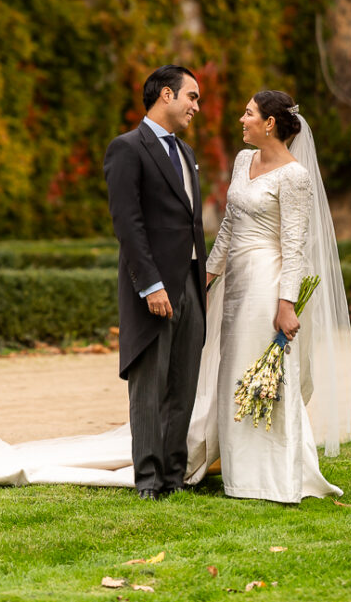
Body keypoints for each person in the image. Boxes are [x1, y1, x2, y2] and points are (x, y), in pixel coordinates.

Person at [203, 89, 351, 503]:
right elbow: (229, 225)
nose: (242, 119)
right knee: (231, 372)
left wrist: (286, 304)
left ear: (269, 123)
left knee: (263, 375)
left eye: (248, 113)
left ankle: (270, 476)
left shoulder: (295, 176)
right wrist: (207, 275)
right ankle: (236, 471)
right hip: (235, 285)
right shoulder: (243, 161)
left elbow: (294, 245)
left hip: (267, 285)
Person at [103, 64, 207, 500]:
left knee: (183, 384)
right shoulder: (127, 148)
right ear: (166, 94)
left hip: (191, 284)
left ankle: (173, 476)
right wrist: (150, 285)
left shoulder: (185, 152)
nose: (196, 106)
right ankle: (147, 479)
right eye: (192, 96)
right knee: (149, 386)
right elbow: (128, 224)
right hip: (153, 288)